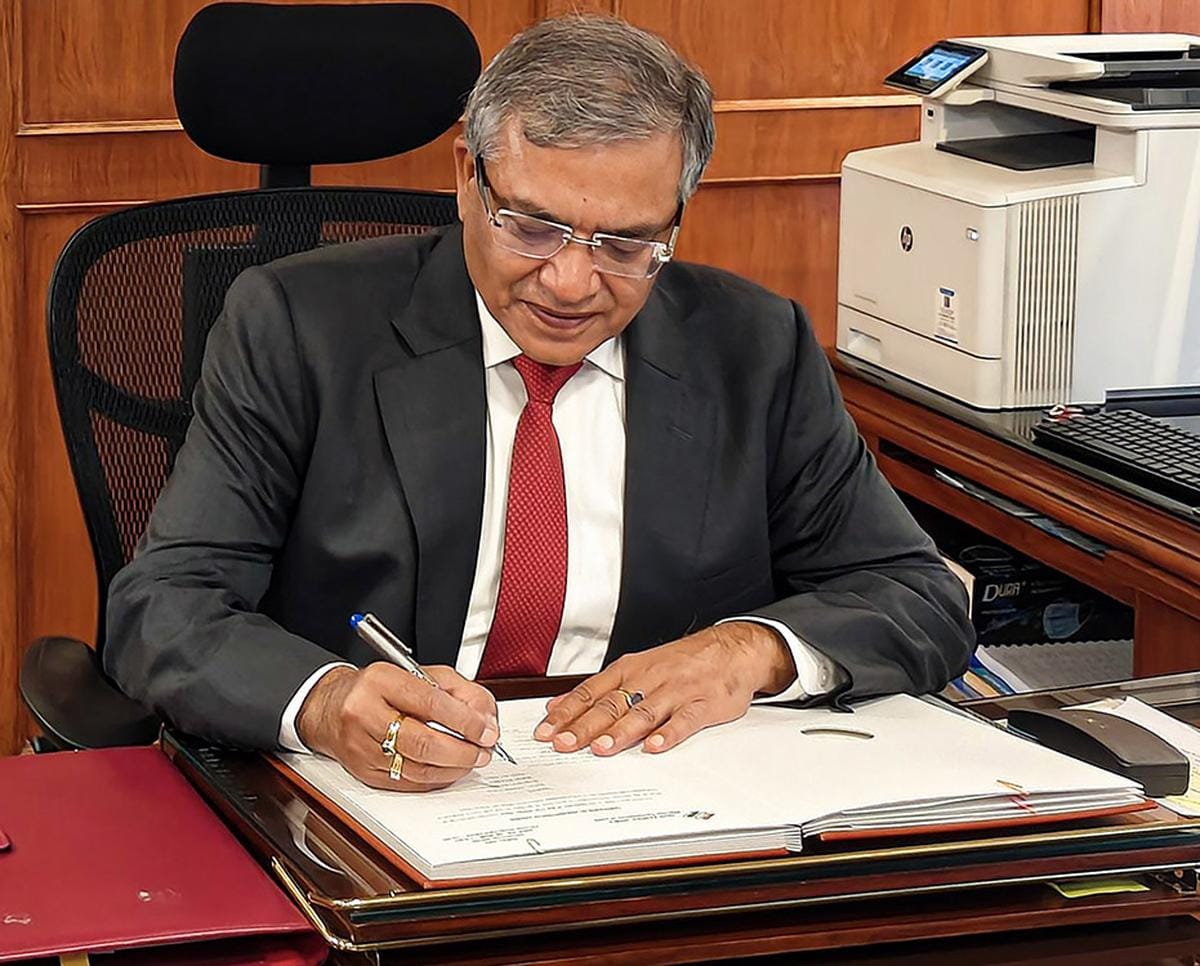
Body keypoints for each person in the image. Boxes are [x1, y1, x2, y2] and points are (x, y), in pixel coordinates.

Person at [105, 15, 973, 792]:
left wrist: (746, 650)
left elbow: (916, 596)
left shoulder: (754, 347)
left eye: (626, 243)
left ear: (676, 218)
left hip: (651, 802)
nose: (569, 282)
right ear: (467, 177)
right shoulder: (298, 327)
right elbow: (165, 606)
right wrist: (329, 703)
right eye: (531, 226)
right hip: (367, 800)